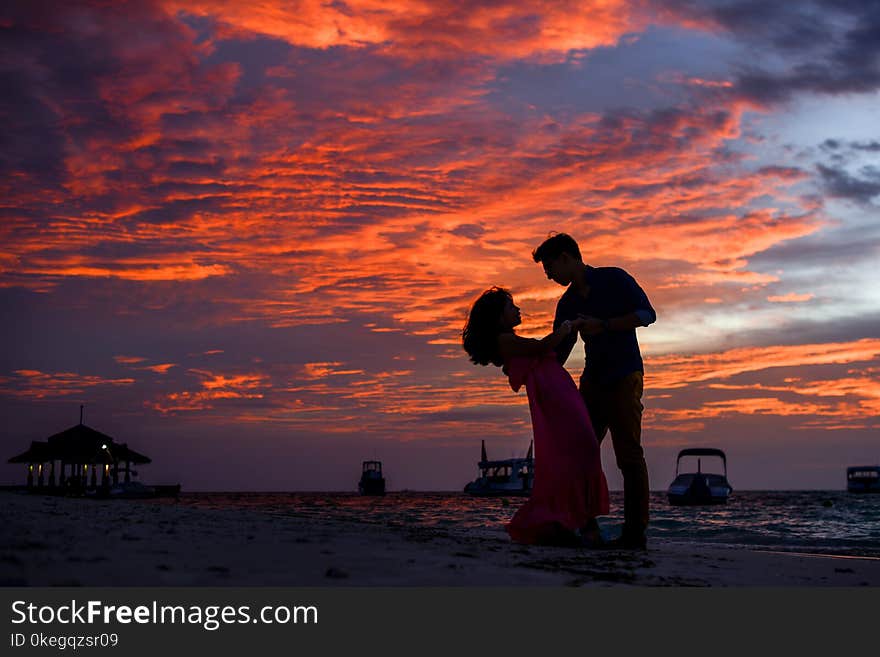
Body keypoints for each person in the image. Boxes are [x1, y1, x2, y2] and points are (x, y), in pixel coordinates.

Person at [533, 233, 656, 550]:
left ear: (565, 257)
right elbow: (560, 352)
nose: (549, 276)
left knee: (628, 455)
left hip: (625, 375)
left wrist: (604, 325)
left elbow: (647, 315)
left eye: (549, 267)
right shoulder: (568, 303)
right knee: (578, 452)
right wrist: (532, 367)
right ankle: (584, 526)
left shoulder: (614, 279)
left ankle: (634, 533)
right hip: (592, 382)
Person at [462, 287, 609, 547]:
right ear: (498, 317)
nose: (517, 310)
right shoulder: (504, 340)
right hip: (553, 395)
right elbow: (541, 346)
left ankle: (576, 524)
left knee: (581, 449)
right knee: (581, 448)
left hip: (557, 390)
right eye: (510, 307)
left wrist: (569, 328)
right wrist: (565, 329)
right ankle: (577, 525)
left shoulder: (508, 340)